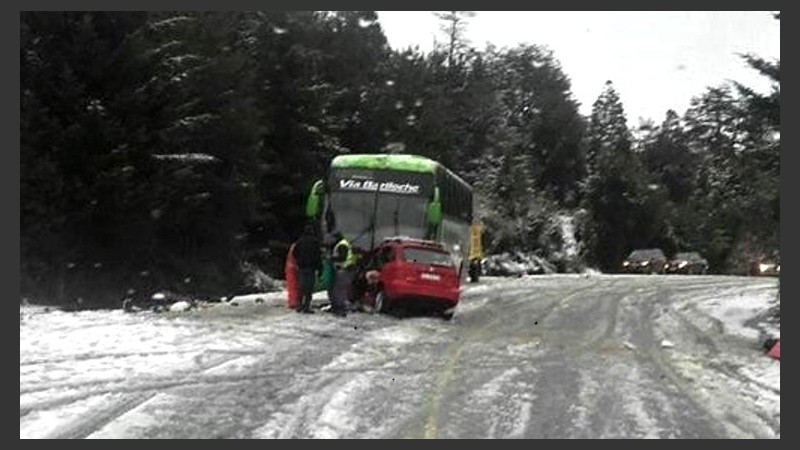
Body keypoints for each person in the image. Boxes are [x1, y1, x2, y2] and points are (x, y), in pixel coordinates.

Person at [292, 224, 323, 313]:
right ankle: (306, 306)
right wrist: (320, 268)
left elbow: (294, 253)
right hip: (311, 267)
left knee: (301, 286)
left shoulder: (300, 241)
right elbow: (318, 256)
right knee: (309, 288)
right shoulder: (315, 242)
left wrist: (298, 261)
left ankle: (299, 305)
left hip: (302, 267)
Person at [330, 230, 357, 317]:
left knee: (339, 290)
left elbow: (342, 258)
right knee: (341, 290)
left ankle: (340, 309)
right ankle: (340, 308)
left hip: (344, 270)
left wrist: (332, 258)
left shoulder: (342, 245)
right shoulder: (344, 243)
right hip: (347, 269)